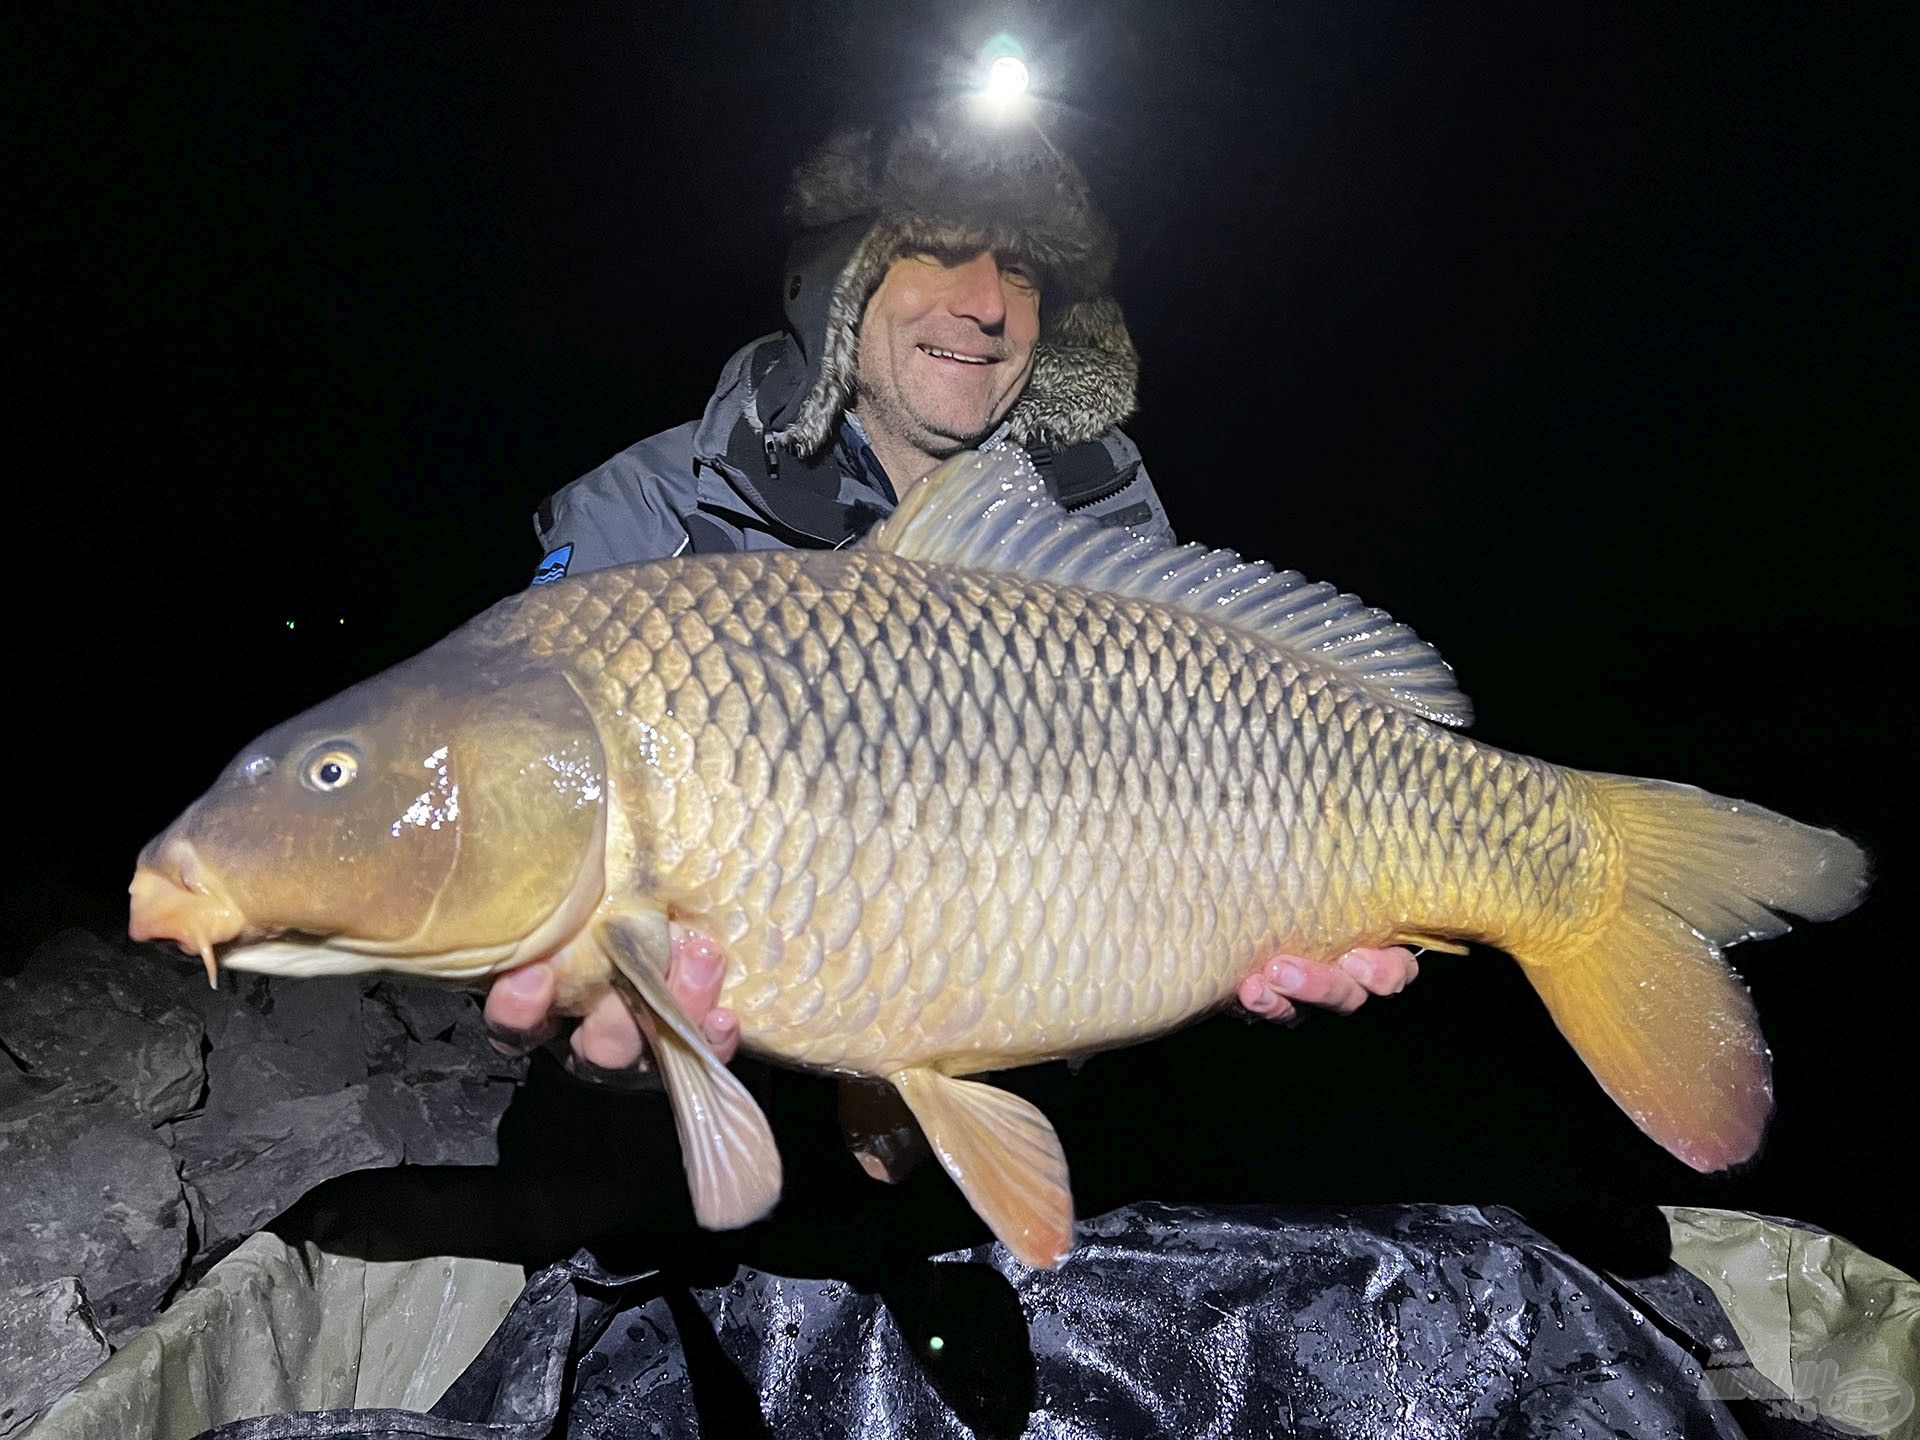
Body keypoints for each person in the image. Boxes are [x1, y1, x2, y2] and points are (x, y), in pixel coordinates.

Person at [485, 109, 1418, 1109]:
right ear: (840, 283)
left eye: (1022, 272)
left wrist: (1233, 940)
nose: (988, 305)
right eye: (932, 249)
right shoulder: (649, 515)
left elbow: (1165, 843)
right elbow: (528, 844)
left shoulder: (1100, 519)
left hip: (1042, 1091)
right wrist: (578, 1038)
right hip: (707, 1138)